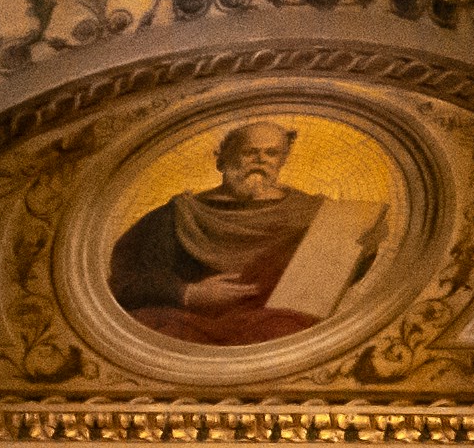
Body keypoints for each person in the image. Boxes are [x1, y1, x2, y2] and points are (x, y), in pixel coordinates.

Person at [105, 118, 357, 349]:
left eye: (271, 153)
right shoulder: (177, 215)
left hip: (280, 328)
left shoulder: (315, 213)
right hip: (192, 328)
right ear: (223, 159)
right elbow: (126, 281)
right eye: (249, 152)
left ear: (282, 160)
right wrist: (189, 293)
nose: (260, 160)